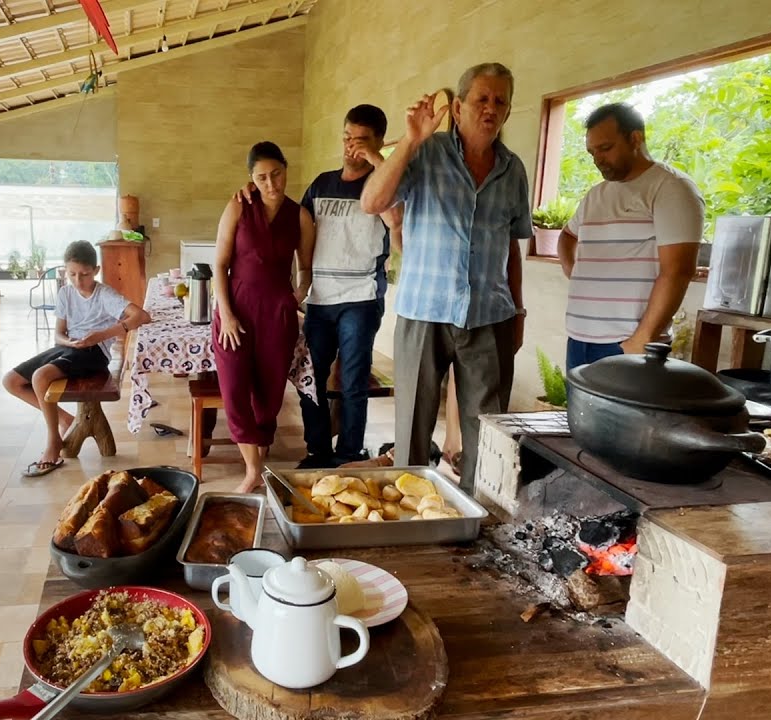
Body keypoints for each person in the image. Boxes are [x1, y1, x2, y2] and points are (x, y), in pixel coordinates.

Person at [361, 63, 531, 488]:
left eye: (500, 101)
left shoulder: (514, 171)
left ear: (508, 112)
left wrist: (519, 311)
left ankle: (473, 519)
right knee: (413, 430)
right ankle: (409, 520)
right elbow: (372, 201)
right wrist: (410, 141)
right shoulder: (426, 152)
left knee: (486, 433)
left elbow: (511, 247)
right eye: (481, 99)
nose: (490, 108)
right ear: (457, 107)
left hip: (490, 317)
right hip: (424, 313)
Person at [238, 106, 399, 469]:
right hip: (321, 299)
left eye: (362, 141)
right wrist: (253, 189)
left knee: (354, 380)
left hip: (361, 299)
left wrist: (378, 163)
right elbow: (287, 216)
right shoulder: (322, 184)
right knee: (310, 377)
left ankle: (349, 454)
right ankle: (318, 451)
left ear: (378, 143)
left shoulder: (385, 187)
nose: (351, 147)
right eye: (347, 138)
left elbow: (397, 220)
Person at [559, 103, 703, 370]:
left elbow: (678, 271)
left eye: (605, 148)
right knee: (579, 413)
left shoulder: (671, 188)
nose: (597, 159)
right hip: (579, 339)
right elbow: (567, 235)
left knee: (620, 414)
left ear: (635, 138)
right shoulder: (596, 195)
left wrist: (643, 338)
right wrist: (574, 270)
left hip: (628, 344)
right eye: (592, 152)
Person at [215, 141, 315, 493]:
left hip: (277, 312)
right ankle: (254, 471)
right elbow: (220, 265)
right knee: (234, 389)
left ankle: (257, 465)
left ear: (286, 169)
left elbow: (306, 268)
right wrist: (226, 315)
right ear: (251, 179)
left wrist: (296, 297)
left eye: (276, 174)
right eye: (261, 177)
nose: (271, 184)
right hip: (236, 309)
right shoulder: (239, 206)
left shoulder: (300, 215)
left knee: (270, 396)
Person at [3, 240, 150, 476]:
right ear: (65, 270)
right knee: (11, 381)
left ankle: (53, 442)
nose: (78, 280)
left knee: (41, 376)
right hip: (71, 347)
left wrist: (102, 334)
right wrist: (70, 341)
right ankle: (64, 419)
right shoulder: (65, 292)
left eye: (84, 274)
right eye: (72, 274)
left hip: (95, 352)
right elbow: (59, 334)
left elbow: (141, 316)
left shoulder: (104, 294)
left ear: (96, 271)